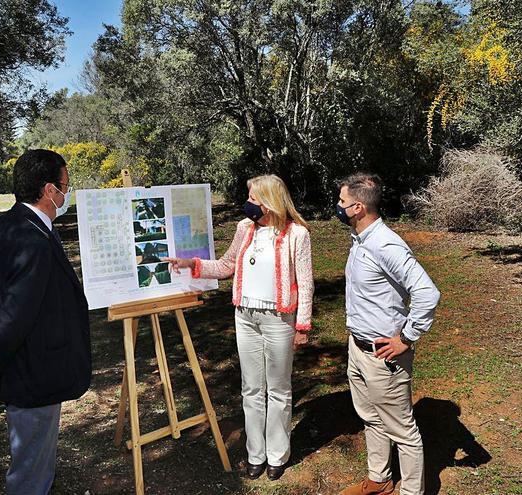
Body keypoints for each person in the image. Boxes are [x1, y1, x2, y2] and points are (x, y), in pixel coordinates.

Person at [0, 149, 91, 495]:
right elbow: (14, 314)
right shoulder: (32, 240)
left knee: (33, 458)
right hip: (34, 372)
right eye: (65, 184)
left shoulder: (12, 224)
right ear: (49, 190)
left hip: (28, 368)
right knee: (30, 468)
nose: (67, 191)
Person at [166, 174, 313, 481]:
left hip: (278, 319)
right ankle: (255, 454)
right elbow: (226, 265)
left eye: (253, 198)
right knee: (251, 388)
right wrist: (191, 264)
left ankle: (277, 454)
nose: (248, 204)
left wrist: (302, 324)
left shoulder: (297, 234)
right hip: (245, 316)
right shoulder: (244, 228)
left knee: (279, 390)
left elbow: (306, 282)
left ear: (271, 201)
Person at [336, 172, 441, 495]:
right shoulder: (360, 240)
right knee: (371, 418)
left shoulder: (386, 244)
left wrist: (406, 338)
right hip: (359, 348)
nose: (337, 206)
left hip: (385, 355)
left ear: (357, 208)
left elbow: (427, 293)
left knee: (403, 431)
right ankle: (379, 481)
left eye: (342, 202)